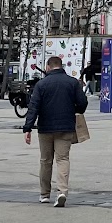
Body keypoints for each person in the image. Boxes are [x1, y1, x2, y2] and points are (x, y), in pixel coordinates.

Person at [23, 56, 88, 207]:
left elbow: (34, 107)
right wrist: (76, 110)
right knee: (63, 159)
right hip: (66, 127)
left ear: (48, 67)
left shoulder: (41, 84)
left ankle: (44, 194)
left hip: (45, 128)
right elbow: (83, 102)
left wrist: (28, 128)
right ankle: (62, 192)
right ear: (61, 66)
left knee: (45, 161)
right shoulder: (72, 82)